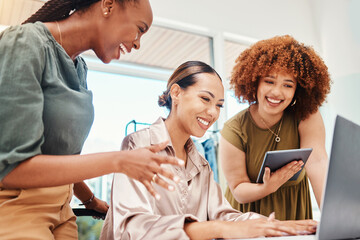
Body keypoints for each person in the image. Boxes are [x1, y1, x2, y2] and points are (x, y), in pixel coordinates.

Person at [0, 0, 184, 239]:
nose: (138, 43)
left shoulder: (80, 68)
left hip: (63, 213)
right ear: (108, 6)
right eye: (140, 28)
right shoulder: (24, 43)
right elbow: (12, 169)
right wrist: (120, 161)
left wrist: (89, 199)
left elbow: (60, 157)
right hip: (17, 210)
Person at [100, 61, 318, 239]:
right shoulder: (136, 145)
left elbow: (222, 215)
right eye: (205, 99)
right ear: (176, 93)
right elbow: (131, 228)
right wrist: (216, 229)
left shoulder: (201, 165)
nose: (213, 112)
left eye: (219, 105)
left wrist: (269, 225)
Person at [219, 35, 331, 221]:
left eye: (288, 85)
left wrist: (332, 219)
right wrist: (268, 187)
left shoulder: (306, 116)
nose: (277, 92)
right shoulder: (234, 129)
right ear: (254, 82)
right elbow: (238, 189)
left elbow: (317, 163)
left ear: (298, 90)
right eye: (269, 81)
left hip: (293, 210)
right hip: (248, 217)